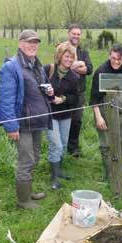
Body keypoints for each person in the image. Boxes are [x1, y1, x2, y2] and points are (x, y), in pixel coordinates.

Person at [0, 30, 53, 209]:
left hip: (37, 122)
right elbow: (6, 99)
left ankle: (28, 191)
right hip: (22, 123)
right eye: (29, 42)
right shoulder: (11, 67)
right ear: (20, 44)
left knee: (34, 157)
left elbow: (38, 89)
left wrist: (48, 91)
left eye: (35, 42)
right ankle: (23, 200)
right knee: (26, 159)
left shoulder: (36, 64)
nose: (33, 45)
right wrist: (11, 126)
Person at [90, 44, 122, 180]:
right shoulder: (101, 71)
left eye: (120, 59)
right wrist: (98, 118)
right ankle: (109, 173)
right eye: (113, 58)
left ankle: (117, 163)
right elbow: (94, 98)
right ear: (109, 56)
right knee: (106, 144)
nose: (116, 62)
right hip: (104, 110)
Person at [44, 42, 79, 190]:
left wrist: (63, 99)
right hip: (50, 114)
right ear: (60, 56)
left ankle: (58, 170)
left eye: (72, 57)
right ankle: (54, 178)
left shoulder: (74, 77)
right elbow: (38, 87)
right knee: (56, 145)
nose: (69, 60)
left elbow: (76, 98)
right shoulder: (48, 70)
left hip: (65, 115)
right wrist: (48, 93)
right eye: (67, 56)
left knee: (63, 145)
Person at [66, 24, 93, 157]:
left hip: (79, 92)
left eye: (78, 34)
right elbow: (61, 67)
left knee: (76, 120)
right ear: (68, 34)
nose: (76, 36)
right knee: (63, 119)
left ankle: (73, 148)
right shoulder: (62, 49)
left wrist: (75, 67)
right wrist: (78, 66)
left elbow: (89, 69)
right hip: (64, 91)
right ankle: (60, 147)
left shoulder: (83, 52)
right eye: (74, 33)